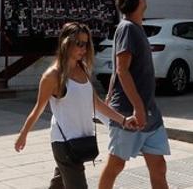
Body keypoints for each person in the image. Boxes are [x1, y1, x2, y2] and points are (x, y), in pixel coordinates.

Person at [15, 22, 136, 188]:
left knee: (59, 183)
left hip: (80, 140)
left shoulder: (83, 68)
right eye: (79, 43)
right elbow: (38, 109)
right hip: (64, 144)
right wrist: (23, 134)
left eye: (85, 44)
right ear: (66, 42)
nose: (83, 49)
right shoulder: (53, 76)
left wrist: (123, 120)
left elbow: (96, 103)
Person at [100, 0, 169, 189]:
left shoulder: (135, 27)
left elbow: (117, 70)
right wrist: (137, 108)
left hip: (150, 113)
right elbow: (122, 69)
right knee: (116, 164)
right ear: (140, 2)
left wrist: (110, 92)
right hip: (130, 112)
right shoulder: (127, 28)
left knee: (158, 165)